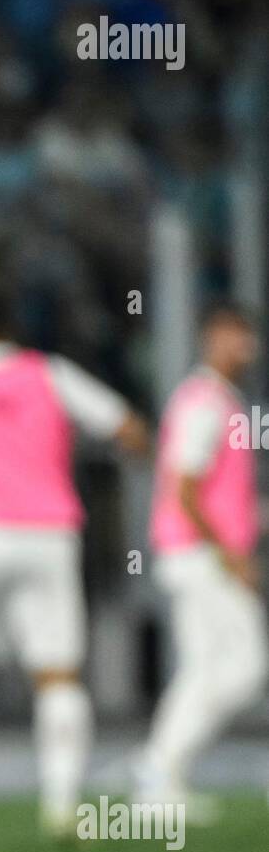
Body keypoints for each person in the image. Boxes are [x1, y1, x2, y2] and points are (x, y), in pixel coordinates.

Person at [0, 285, 148, 845]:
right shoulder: (51, 374)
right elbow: (129, 430)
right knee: (58, 674)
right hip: (49, 534)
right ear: (17, 329)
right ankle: (61, 807)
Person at [135, 302, 267, 806]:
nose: (246, 347)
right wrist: (229, 552)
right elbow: (184, 487)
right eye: (236, 335)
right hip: (201, 554)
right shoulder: (203, 401)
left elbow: (216, 490)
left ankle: (160, 773)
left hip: (198, 551)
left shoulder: (222, 399)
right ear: (211, 338)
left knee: (203, 667)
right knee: (246, 666)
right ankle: (158, 763)